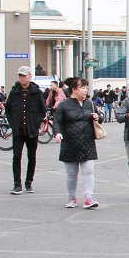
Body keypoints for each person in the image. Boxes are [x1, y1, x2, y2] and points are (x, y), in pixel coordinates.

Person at [53, 77, 100, 209]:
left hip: (87, 142)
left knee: (89, 171)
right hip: (70, 143)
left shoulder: (89, 104)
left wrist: (98, 117)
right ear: (74, 89)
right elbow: (57, 121)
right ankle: (71, 197)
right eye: (83, 87)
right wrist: (57, 133)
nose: (85, 90)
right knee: (71, 174)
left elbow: (99, 117)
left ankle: (88, 198)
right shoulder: (64, 105)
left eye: (86, 87)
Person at [5, 66, 45, 195]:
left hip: (31, 130)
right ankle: (17, 184)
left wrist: (36, 124)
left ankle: (29, 182)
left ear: (29, 76)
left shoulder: (36, 92)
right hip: (18, 130)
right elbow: (8, 110)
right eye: (20, 76)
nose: (22, 78)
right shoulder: (14, 92)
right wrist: (12, 123)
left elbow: (42, 110)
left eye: (24, 75)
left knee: (31, 157)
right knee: (16, 157)